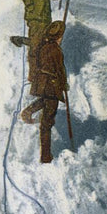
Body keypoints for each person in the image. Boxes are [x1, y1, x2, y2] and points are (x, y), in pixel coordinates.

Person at [20, 21, 69, 164]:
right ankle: (45, 156)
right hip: (52, 84)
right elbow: (60, 70)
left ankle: (27, 112)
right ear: (59, 36)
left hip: (42, 82)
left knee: (46, 101)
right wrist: (63, 84)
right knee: (47, 122)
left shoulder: (43, 45)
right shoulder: (55, 50)